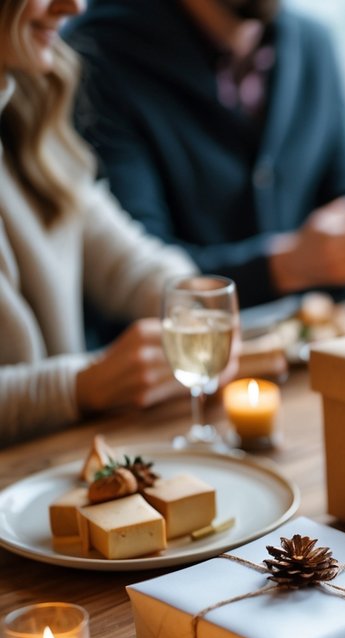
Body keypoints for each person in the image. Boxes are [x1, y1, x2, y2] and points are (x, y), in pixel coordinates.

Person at [65, 0, 345, 315]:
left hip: (311, 344)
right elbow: (131, 270)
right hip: (179, 354)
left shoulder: (315, 42)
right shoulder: (99, 53)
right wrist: (283, 266)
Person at [0, 0, 203, 446]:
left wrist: (191, 298)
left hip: (56, 463)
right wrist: (83, 386)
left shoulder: (26, 107)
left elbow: (124, 261)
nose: (72, 6)